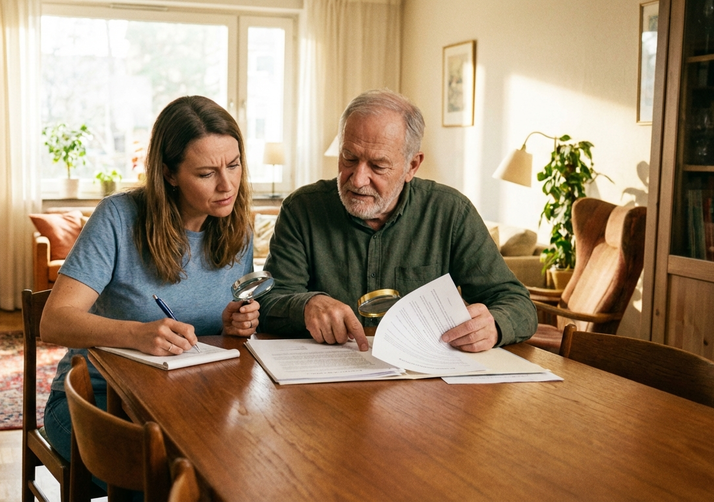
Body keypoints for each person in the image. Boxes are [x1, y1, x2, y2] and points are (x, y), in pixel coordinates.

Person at [41, 95, 260, 464]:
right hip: (98, 402)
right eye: (206, 174)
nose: (227, 185)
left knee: (246, 463)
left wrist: (233, 324)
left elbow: (221, 334)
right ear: (169, 174)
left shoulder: (238, 230)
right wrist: (137, 334)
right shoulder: (118, 218)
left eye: (234, 165)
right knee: (173, 476)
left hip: (191, 403)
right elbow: (53, 321)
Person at [257, 89, 536, 353]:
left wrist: (494, 325)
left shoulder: (451, 212)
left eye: (378, 166)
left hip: (423, 377)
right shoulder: (302, 209)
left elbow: (517, 303)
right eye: (349, 158)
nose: (358, 179)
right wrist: (307, 305)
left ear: (412, 166)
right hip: (324, 375)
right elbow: (267, 302)